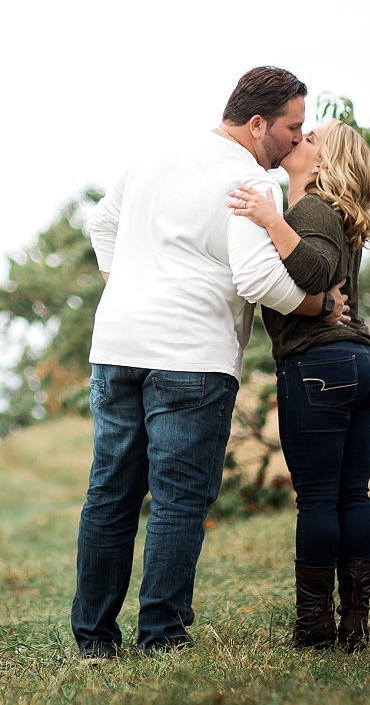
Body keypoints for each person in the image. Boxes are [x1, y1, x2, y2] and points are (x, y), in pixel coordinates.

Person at [73, 66, 350, 659]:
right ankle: (161, 638)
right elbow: (255, 277)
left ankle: (94, 640)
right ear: (257, 125)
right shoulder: (251, 182)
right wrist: (319, 302)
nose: (298, 140)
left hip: (117, 344)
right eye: (291, 128)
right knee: (178, 498)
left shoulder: (155, 153)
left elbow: (102, 222)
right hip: (191, 358)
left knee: (110, 494)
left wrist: (126, 288)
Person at [228, 119, 370, 651]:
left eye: (311, 138)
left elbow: (316, 274)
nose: (298, 139)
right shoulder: (335, 214)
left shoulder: (310, 209)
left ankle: (316, 628)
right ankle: (354, 625)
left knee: (319, 499)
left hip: (322, 367)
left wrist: (271, 219)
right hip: (365, 366)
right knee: (350, 495)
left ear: (322, 164)